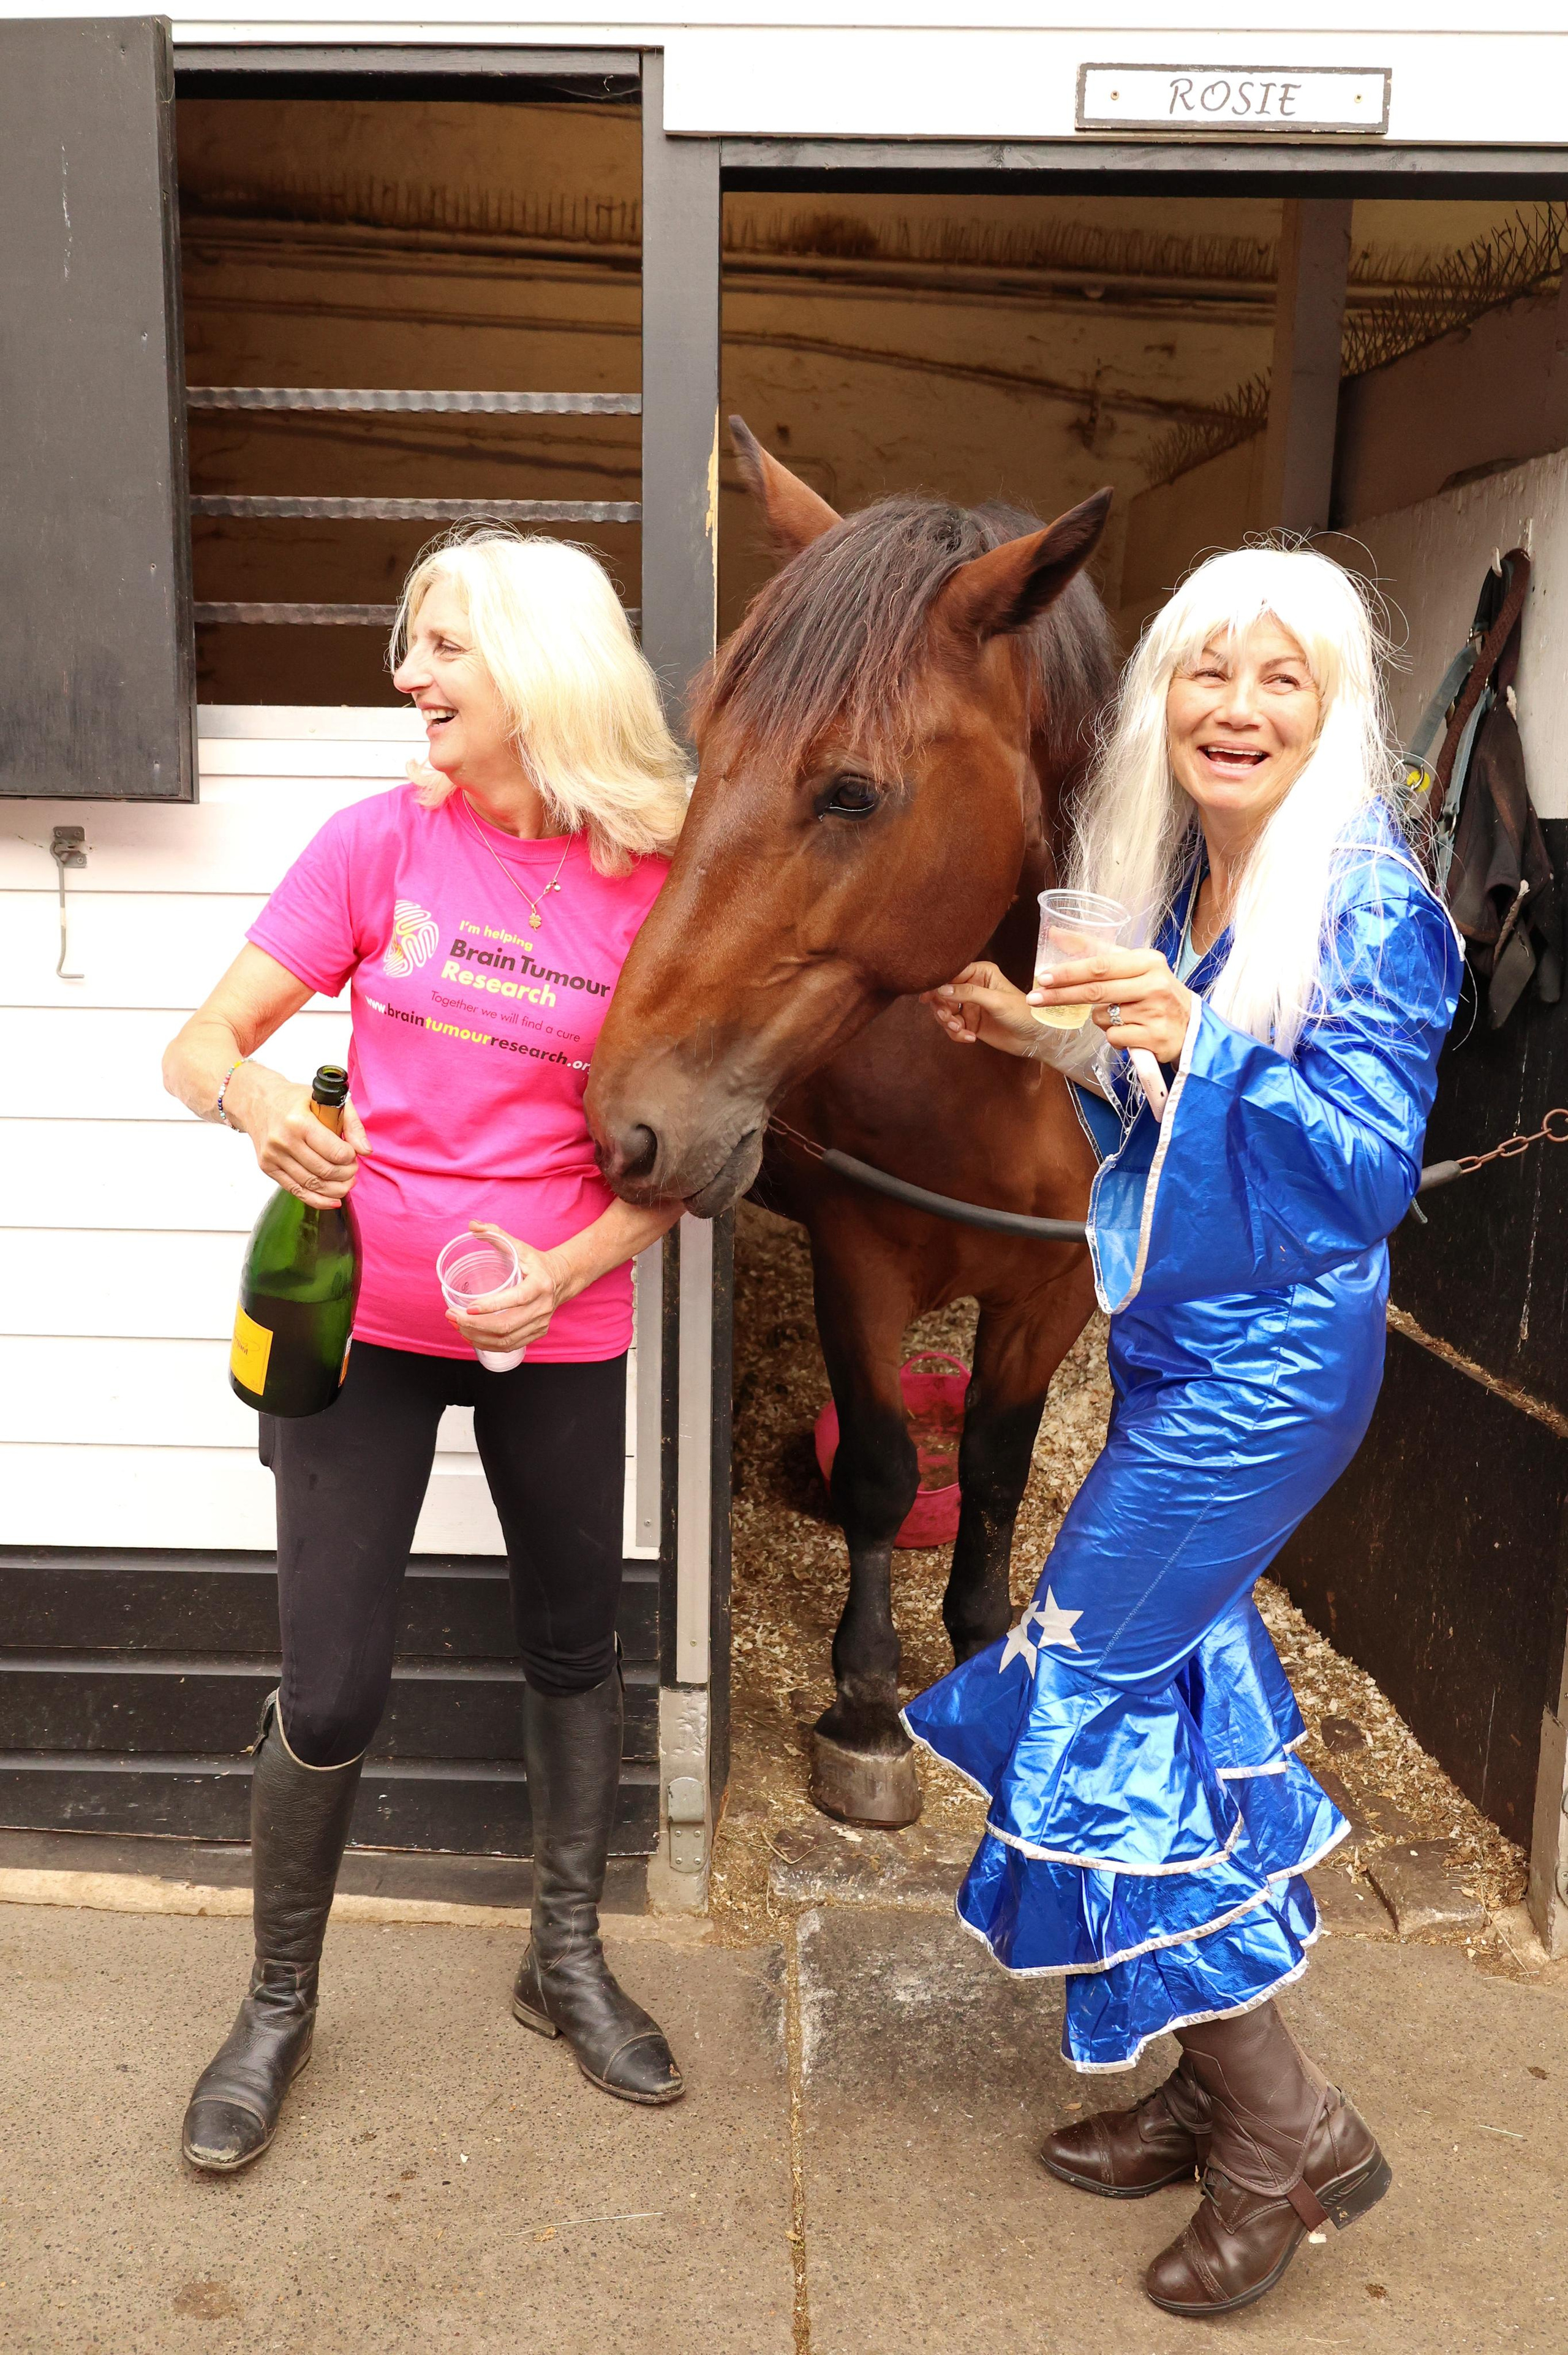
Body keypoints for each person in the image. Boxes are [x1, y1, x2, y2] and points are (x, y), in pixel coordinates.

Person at [908, 544, 1461, 2319]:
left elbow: (1360, 1176)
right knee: (1177, 1688)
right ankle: (1210, 2073)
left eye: (1280, 677)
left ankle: (1287, 2130)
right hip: (1176, 1343)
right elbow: (1163, 1093)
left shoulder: (1371, 903)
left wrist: (1201, 1038)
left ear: (1331, 708)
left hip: (1270, 1370)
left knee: (1081, 1691)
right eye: (1207, 672)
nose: (1236, 707)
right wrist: (1047, 1034)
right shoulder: (1184, 872)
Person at [162, 531, 690, 2172]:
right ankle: (276, 2002)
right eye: (417, 644)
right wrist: (257, 1098)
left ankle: (564, 1958)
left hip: (561, 1318)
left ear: (541, 667)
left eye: (447, 646)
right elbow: (200, 1041)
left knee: (575, 1641)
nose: (412, 675)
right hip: (364, 1321)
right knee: (330, 1683)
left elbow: (684, 1163)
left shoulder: (657, 883)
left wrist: (566, 1267)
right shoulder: (375, 842)